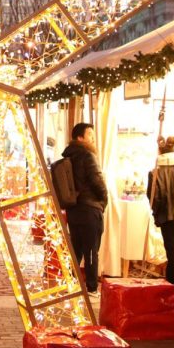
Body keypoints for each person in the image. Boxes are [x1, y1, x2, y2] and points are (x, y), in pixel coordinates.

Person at [62, 122, 109, 294]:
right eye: (90, 135)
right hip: (90, 208)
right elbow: (97, 181)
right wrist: (104, 200)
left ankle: (72, 284)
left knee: (76, 248)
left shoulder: (68, 156)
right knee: (91, 250)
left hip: (74, 209)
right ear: (80, 138)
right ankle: (91, 287)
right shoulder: (88, 156)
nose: (93, 138)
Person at [148, 136, 174, 288]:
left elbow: (153, 197)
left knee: (172, 250)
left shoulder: (155, 171)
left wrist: (156, 214)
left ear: (160, 151)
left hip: (165, 216)